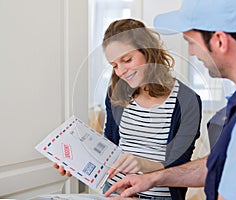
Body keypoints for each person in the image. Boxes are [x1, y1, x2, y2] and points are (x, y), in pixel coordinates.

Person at [104, 0, 236, 199]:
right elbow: (217, 166)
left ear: (219, 41)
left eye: (190, 42)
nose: (191, 52)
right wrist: (154, 178)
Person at [54, 18, 202, 200]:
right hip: (116, 193)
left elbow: (180, 164)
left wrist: (140, 164)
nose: (121, 71)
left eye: (127, 60)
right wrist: (76, 160)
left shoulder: (187, 101)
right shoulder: (116, 95)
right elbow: (109, 147)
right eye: (114, 65)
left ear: (148, 51)